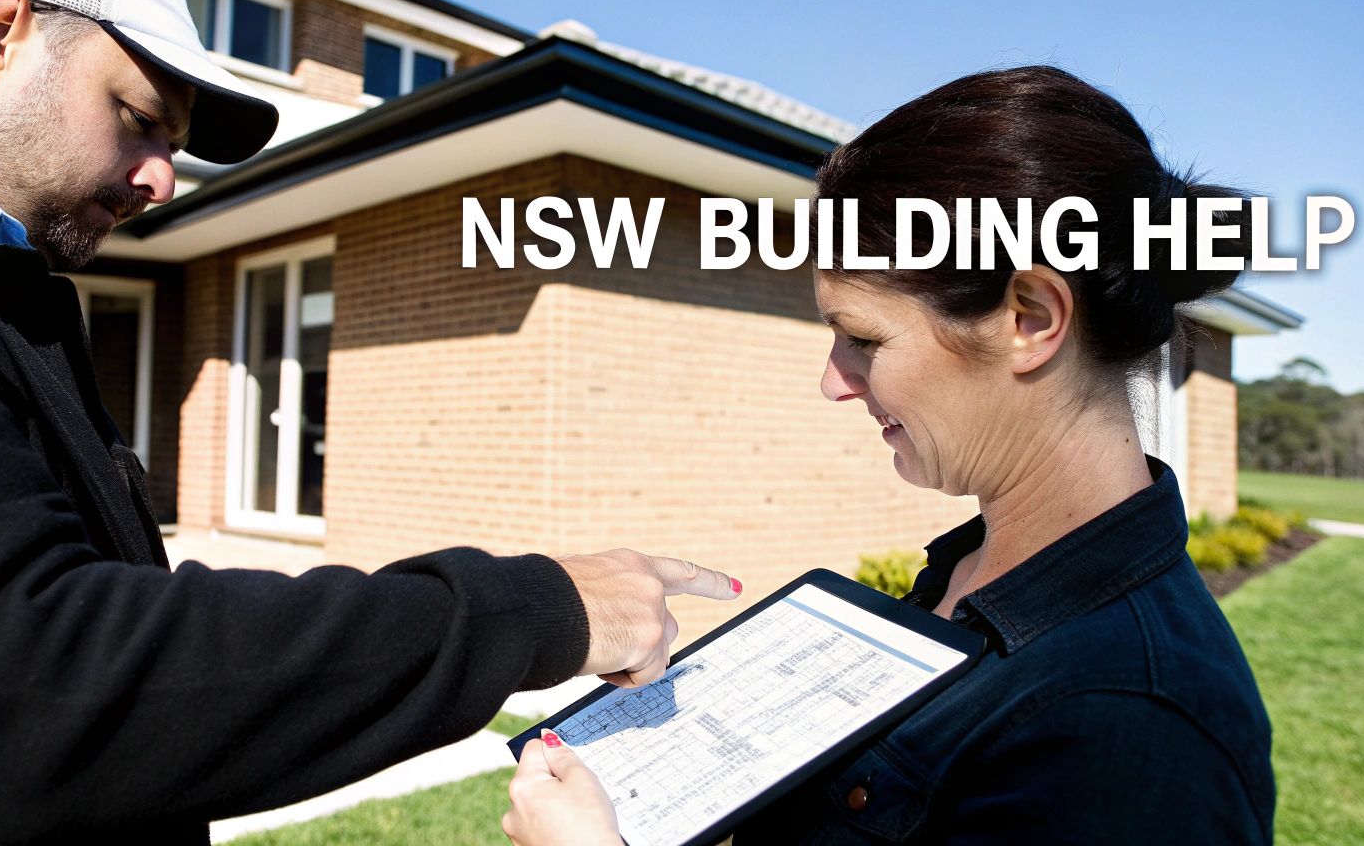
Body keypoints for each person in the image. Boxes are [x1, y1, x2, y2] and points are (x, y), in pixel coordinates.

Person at [0, 0, 739, 844]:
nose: (159, 181)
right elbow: (17, 688)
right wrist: (533, 608)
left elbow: (115, 630)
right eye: (139, 121)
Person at [502, 66, 1275, 845]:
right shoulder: (969, 574)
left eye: (865, 339)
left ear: (1031, 317)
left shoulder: (1132, 728)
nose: (833, 382)